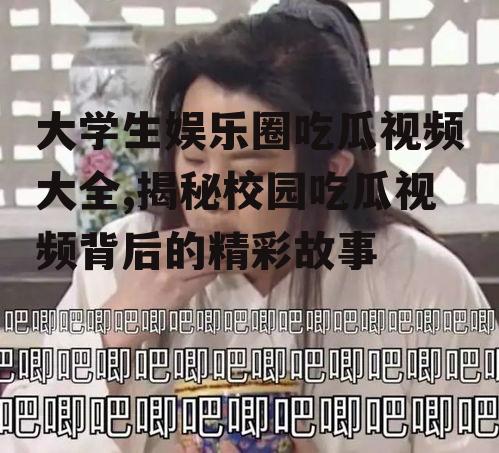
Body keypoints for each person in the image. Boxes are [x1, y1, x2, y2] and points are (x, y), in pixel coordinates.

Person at [2, 1, 498, 452]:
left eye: (246, 171)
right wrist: (114, 330)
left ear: (330, 172)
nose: (210, 196)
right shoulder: (122, 257)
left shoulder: (419, 279)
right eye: (194, 160)